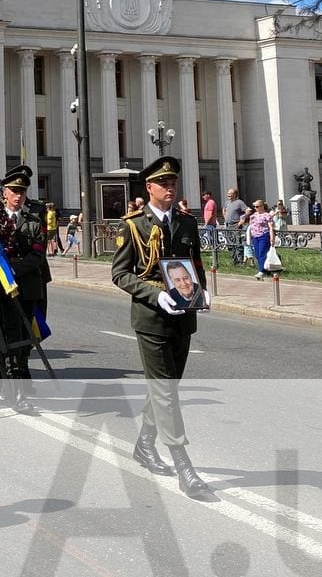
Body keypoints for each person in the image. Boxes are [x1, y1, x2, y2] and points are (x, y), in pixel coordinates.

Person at [111, 155, 213, 501]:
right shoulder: (134, 225)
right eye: (163, 184)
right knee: (166, 391)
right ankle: (184, 465)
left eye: (173, 184)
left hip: (184, 315)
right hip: (152, 318)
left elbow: (194, 264)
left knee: (167, 388)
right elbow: (120, 274)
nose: (170, 189)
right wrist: (155, 296)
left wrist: (201, 290)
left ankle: (143, 445)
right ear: (149, 187)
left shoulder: (186, 223)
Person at [0, 165, 48, 412]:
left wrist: (11, 269)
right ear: (5, 192)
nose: (18, 196)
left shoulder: (33, 222)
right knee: (7, 339)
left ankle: (16, 388)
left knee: (22, 339)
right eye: (14, 190)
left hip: (27, 289)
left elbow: (37, 255)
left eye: (22, 191)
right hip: (1, 291)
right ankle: (11, 389)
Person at [247, 199, 275, 279]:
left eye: (257, 206)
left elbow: (270, 227)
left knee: (262, 253)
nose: (255, 208)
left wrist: (272, 238)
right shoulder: (254, 215)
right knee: (257, 254)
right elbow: (251, 226)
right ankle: (265, 269)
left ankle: (261, 271)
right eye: (254, 207)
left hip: (264, 235)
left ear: (262, 206)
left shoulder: (267, 215)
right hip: (255, 237)